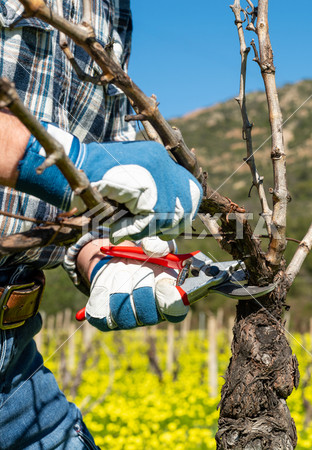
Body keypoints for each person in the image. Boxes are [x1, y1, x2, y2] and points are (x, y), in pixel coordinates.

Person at [0, 1, 202, 448]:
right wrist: (55, 160)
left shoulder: (114, 11)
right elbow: (85, 165)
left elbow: (96, 207)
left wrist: (105, 261)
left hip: (13, 365)